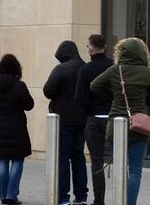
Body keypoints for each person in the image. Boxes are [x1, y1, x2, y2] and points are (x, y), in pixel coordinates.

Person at [90, 37, 150, 205]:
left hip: (116, 125)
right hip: (139, 126)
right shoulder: (147, 72)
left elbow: (94, 85)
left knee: (120, 169)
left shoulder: (116, 70)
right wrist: (142, 100)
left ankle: (119, 200)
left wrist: (114, 96)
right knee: (135, 170)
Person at [44, 40, 88, 205]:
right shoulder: (85, 68)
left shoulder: (61, 69)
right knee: (78, 156)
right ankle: (82, 195)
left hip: (62, 120)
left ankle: (63, 197)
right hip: (81, 119)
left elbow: (48, 91)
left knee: (62, 157)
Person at [0, 54, 35, 205]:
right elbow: (29, 105)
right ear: (17, 69)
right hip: (17, 127)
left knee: (2, 160)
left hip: (0, 127)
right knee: (17, 160)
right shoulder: (19, 85)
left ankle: (3, 195)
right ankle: (11, 195)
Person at [75, 35, 113, 205]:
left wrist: (89, 111)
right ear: (104, 47)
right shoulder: (114, 67)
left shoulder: (85, 70)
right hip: (114, 119)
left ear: (91, 48)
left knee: (97, 162)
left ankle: (99, 200)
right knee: (119, 160)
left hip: (94, 119)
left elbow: (79, 98)